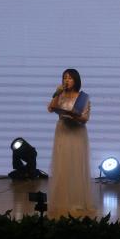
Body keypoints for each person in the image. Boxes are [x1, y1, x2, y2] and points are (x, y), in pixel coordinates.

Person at [47, 68, 95, 218]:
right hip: (62, 131)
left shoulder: (83, 97)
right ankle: (62, 201)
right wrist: (56, 93)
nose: (66, 80)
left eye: (69, 78)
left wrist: (74, 116)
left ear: (76, 80)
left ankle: (77, 201)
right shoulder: (60, 95)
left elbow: (85, 118)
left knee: (76, 165)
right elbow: (51, 108)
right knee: (62, 165)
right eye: (64, 78)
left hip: (77, 132)